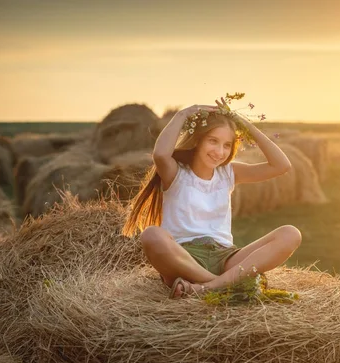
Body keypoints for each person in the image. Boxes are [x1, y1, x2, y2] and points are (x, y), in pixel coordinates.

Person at [122, 99, 302, 298]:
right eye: (213, 141)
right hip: (185, 257)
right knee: (151, 235)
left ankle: (206, 288)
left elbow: (281, 166)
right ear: (198, 140)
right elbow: (161, 154)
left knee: (290, 234)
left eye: (227, 145)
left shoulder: (229, 173)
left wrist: (246, 126)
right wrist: (182, 115)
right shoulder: (176, 172)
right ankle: (226, 284)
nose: (219, 152)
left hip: (226, 258)